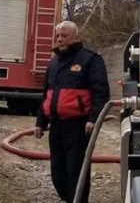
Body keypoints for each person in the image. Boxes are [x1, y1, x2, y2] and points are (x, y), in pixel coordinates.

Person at [34, 21, 110, 203]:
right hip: (57, 127)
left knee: (76, 173)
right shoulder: (53, 63)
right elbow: (47, 96)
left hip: (79, 127)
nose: (60, 39)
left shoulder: (90, 60)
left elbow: (101, 93)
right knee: (57, 175)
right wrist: (40, 122)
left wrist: (93, 119)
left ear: (75, 36)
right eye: (58, 36)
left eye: (64, 35)